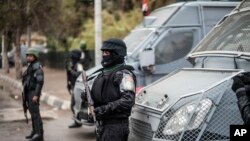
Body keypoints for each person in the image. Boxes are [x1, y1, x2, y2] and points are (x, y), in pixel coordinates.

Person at [90, 38, 136, 141]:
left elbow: (128, 100)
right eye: (103, 52)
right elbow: (104, 95)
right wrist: (89, 96)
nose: (104, 55)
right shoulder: (103, 73)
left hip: (116, 128)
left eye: (107, 52)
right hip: (102, 126)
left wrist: (103, 109)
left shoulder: (124, 74)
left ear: (116, 53)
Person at [22, 48, 44, 141]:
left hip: (33, 93)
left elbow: (40, 82)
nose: (28, 57)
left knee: (35, 114)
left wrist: (36, 95)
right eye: (27, 56)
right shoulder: (31, 66)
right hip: (28, 92)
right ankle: (35, 132)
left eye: (30, 56)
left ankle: (38, 134)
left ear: (35, 57)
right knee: (32, 113)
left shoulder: (37, 67)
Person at [65, 49, 83, 128]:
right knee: (74, 105)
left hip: (78, 87)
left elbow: (79, 75)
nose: (71, 57)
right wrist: (68, 84)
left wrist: (70, 70)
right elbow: (68, 76)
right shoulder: (71, 64)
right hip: (73, 86)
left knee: (74, 105)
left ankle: (78, 121)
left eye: (73, 56)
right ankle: (77, 121)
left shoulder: (79, 65)